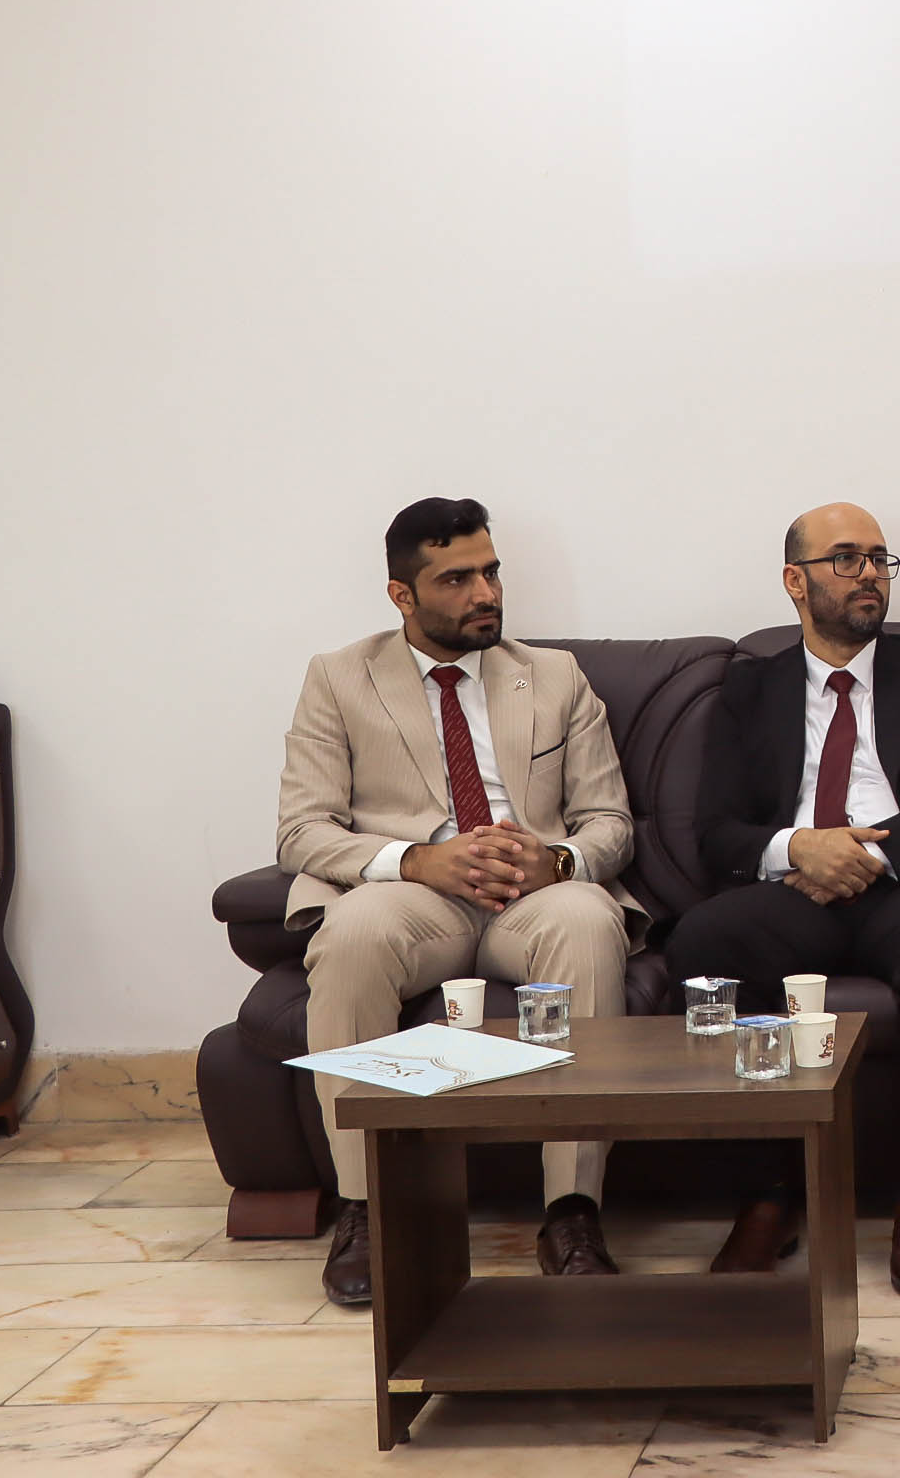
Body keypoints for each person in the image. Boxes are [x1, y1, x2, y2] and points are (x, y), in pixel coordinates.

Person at [279, 498, 641, 1306]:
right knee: (351, 933)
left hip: (531, 897)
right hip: (412, 895)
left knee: (590, 920)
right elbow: (302, 830)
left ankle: (573, 1212)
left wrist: (556, 859)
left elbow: (610, 822)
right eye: (456, 579)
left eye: (491, 572)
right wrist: (417, 860)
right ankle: (367, 1209)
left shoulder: (555, 676)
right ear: (401, 595)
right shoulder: (338, 677)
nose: (486, 593)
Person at [666, 502, 900, 1295]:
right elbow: (716, 830)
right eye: (846, 559)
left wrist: (867, 852)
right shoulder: (750, 688)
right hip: (795, 887)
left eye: (878, 559)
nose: (869, 574)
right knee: (704, 947)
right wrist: (799, 847)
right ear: (795, 581)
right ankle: (765, 1196)